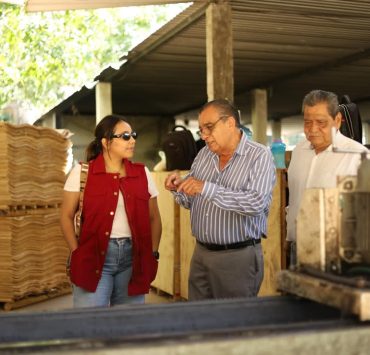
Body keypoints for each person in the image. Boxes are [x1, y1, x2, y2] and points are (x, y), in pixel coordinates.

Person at [164, 99, 276, 300]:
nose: (204, 136)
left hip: (237, 258)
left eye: (209, 128)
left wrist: (207, 188)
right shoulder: (204, 155)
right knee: (199, 322)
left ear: (230, 123)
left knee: (234, 324)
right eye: (201, 130)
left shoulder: (260, 156)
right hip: (201, 254)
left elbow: (255, 204)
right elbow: (191, 200)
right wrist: (178, 188)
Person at [60, 115, 162, 308]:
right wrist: (76, 252)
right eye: (125, 136)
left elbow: (154, 218)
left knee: (128, 326)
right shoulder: (82, 173)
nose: (132, 140)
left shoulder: (143, 173)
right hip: (93, 257)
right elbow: (66, 216)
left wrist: (153, 253)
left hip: (134, 261)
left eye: (133, 135)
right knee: (91, 324)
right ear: (106, 142)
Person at [286, 89, 368, 266]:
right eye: (307, 122)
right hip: (297, 249)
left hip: (337, 254)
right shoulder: (300, 151)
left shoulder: (358, 155)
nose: (313, 129)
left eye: (321, 122)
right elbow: (295, 199)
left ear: (337, 120)